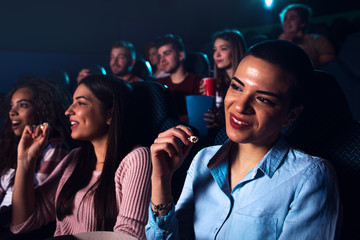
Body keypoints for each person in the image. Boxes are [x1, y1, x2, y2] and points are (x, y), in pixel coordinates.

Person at [145, 40, 341, 239]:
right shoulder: (203, 159)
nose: (240, 106)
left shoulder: (310, 178)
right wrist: (161, 179)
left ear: (290, 116)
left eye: (263, 99)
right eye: (237, 87)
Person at [10, 75, 152, 239]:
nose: (68, 111)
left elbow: (129, 235)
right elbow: (23, 221)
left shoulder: (136, 158)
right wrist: (25, 161)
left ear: (110, 114)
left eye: (81, 103)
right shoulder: (75, 158)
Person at [0, 78, 71, 209]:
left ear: (41, 110)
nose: (12, 112)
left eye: (23, 105)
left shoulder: (54, 147)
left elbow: (36, 201)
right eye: (11, 106)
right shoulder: (11, 145)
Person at [203, 29, 247, 131]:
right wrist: (206, 99)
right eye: (214, 50)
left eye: (223, 49)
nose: (217, 55)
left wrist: (221, 121)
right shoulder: (216, 82)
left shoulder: (246, 82)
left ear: (235, 51)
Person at [155, 34, 203, 123]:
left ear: (180, 55)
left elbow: (199, 116)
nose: (162, 59)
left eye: (167, 53)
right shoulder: (158, 84)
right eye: (159, 56)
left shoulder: (198, 81)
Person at [278, 3, 336, 69]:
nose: (287, 21)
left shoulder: (318, 40)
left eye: (292, 18)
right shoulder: (277, 42)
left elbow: (329, 68)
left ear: (303, 22)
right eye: (285, 18)